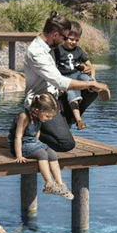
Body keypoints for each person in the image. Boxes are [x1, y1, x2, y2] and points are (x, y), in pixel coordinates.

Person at [24, 12, 110, 153]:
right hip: (41, 104)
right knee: (66, 144)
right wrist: (92, 84)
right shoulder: (36, 52)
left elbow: (64, 66)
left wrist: (83, 68)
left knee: (91, 91)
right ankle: (31, 132)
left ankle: (65, 122)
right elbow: (60, 81)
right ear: (55, 34)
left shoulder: (50, 46)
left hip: (57, 98)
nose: (65, 41)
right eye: (64, 37)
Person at [9, 92, 73, 198]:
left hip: (33, 143)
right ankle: (49, 184)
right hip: (21, 145)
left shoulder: (38, 117)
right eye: (48, 116)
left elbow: (36, 133)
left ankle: (60, 184)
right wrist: (19, 155)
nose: (50, 119)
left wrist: (38, 143)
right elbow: (18, 137)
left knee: (52, 153)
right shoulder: (24, 116)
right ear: (37, 110)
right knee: (42, 154)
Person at [53, 20, 110, 130]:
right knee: (72, 94)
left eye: (76, 40)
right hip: (66, 79)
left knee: (87, 79)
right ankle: (79, 120)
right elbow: (53, 69)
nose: (73, 42)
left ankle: (101, 89)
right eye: (71, 39)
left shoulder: (78, 51)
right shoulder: (58, 50)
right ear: (64, 37)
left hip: (77, 75)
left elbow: (90, 66)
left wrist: (92, 78)